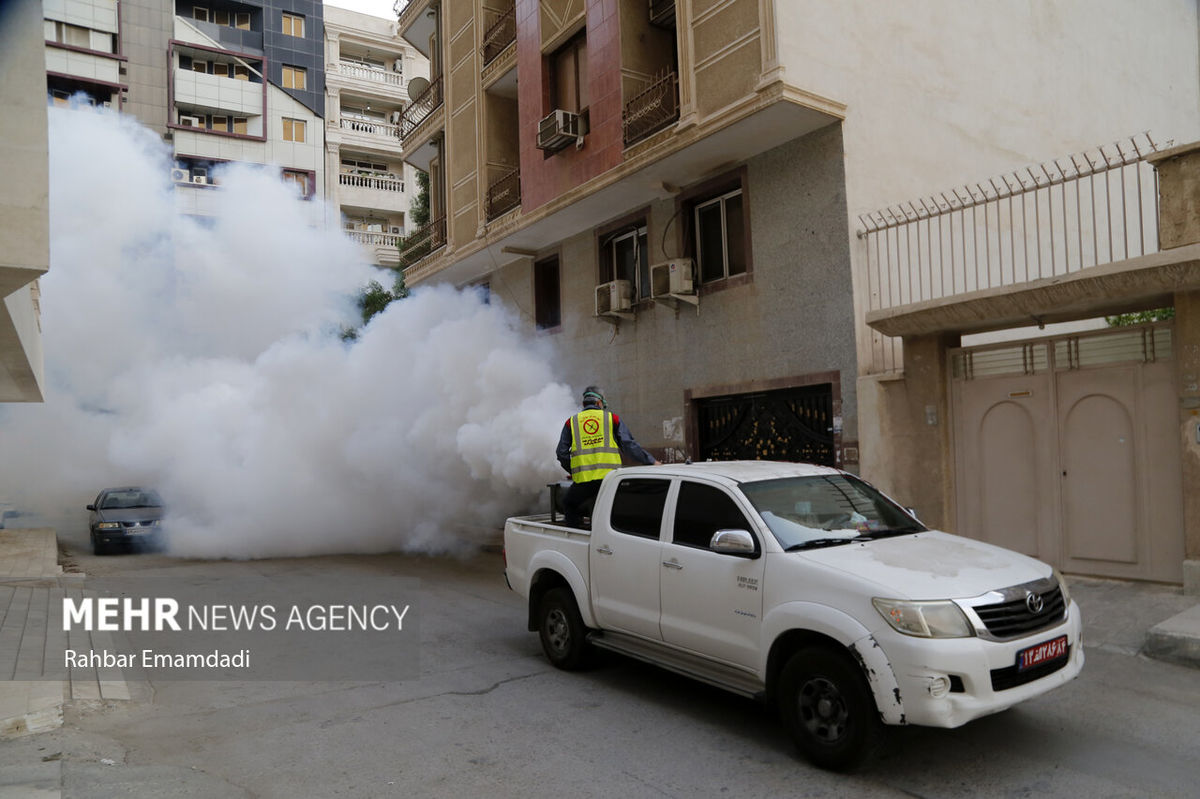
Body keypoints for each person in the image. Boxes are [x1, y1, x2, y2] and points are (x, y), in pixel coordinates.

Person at [556, 386, 658, 528]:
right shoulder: (612, 418)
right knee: (612, 510)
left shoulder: (571, 422)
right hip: (611, 479)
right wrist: (651, 461)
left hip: (584, 482)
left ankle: (576, 535)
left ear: (584, 403)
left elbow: (561, 453)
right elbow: (629, 445)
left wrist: (575, 471)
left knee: (569, 504)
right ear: (599, 402)